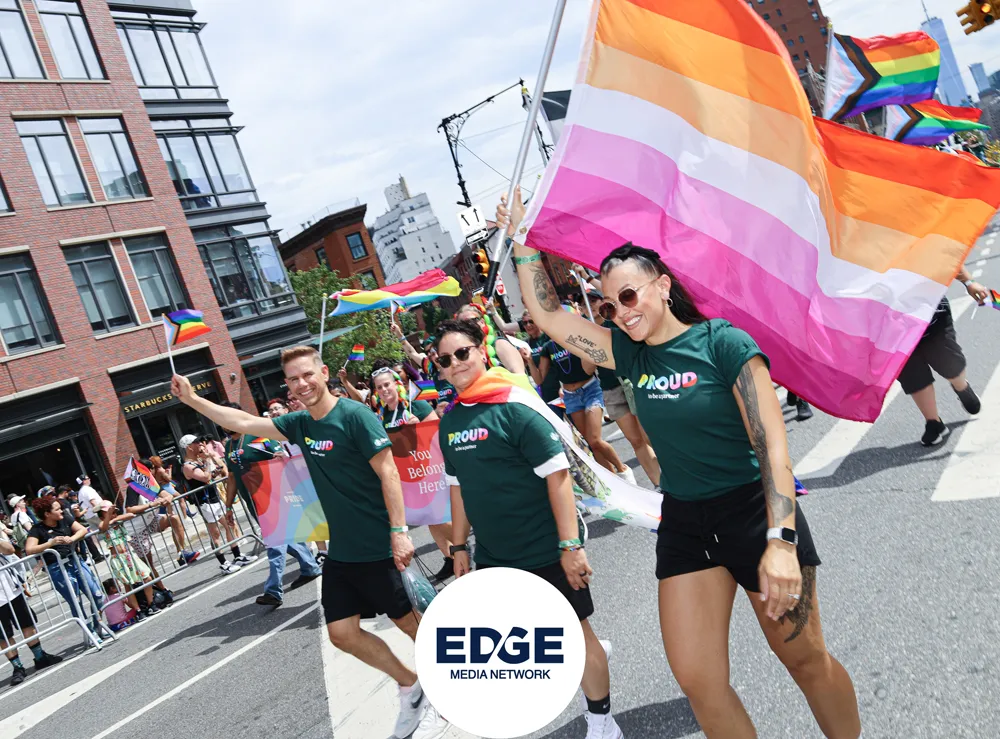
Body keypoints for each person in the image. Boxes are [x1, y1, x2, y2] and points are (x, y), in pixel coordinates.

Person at [500, 190, 861, 739]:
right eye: (609, 306)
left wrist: (782, 541)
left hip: (754, 515)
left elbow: (772, 448)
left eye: (629, 295)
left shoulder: (723, 343)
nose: (621, 312)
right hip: (686, 524)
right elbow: (549, 315)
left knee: (805, 661)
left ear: (663, 286)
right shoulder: (628, 352)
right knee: (699, 681)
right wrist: (523, 241)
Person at [171, 347, 449, 738]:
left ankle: (453, 690)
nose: (302, 384)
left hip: (378, 544)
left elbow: (388, 473)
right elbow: (244, 421)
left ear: (323, 373)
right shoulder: (300, 423)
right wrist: (192, 399)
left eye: (307, 375)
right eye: (293, 379)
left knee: (412, 626)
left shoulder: (355, 416)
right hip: (343, 552)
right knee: (342, 633)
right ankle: (412, 687)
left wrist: (399, 531)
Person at [435, 319, 623, 738]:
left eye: (462, 352)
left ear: (481, 350)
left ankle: (602, 720)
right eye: (445, 360)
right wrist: (459, 546)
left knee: (576, 634)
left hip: (545, 547)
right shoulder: (450, 422)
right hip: (495, 556)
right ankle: (588, 658)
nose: (455, 363)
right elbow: (458, 488)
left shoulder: (516, 405)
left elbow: (558, 477)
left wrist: (570, 545)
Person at [220, 401, 322, 607]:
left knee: (275, 544)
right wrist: (229, 506)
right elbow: (231, 477)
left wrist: (280, 458)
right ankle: (310, 566)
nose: (225, 423)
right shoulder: (229, 445)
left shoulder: (256, 436)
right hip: (254, 502)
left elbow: (280, 457)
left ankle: (273, 590)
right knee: (286, 538)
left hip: (273, 498)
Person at [370, 362, 454, 582]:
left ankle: (464, 547)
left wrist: (417, 426)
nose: (384, 390)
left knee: (440, 516)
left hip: (429, 468)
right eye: (379, 387)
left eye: (387, 384)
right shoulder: (381, 416)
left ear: (397, 384)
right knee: (430, 517)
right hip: (407, 474)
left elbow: (436, 431)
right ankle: (450, 557)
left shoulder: (415, 405)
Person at [529, 323, 632, 482]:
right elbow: (539, 380)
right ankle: (613, 480)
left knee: (595, 439)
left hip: (591, 389)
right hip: (571, 397)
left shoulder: (575, 339)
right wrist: (529, 360)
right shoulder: (548, 348)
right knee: (591, 444)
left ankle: (623, 471)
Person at [896, 267, 986, 446]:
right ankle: (933, 423)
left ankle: (961, 387)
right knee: (913, 375)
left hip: (932, 315)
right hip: (892, 326)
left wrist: (969, 282)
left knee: (950, 364)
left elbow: (945, 255)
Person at [582, 291, 660, 486]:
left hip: (633, 382)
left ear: (603, 302)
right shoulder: (587, 333)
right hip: (611, 389)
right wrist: (592, 344)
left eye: (594, 301)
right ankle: (659, 485)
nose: (591, 306)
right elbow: (587, 369)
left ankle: (675, 477)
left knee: (650, 437)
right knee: (636, 441)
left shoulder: (617, 322)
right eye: (584, 304)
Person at [24, 496, 105, 629]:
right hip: (57, 568)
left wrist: (72, 538)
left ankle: (98, 626)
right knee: (76, 602)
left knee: (97, 595)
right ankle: (90, 632)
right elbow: (29, 549)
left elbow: (82, 529)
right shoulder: (37, 529)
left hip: (76, 561)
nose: (62, 511)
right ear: (47, 514)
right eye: (57, 509)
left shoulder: (65, 519)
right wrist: (50, 543)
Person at [180, 436, 253, 575]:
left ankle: (237, 556)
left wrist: (213, 463)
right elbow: (205, 477)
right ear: (189, 447)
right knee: (215, 533)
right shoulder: (188, 466)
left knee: (230, 525)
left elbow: (216, 473)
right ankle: (224, 563)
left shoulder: (199, 460)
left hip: (214, 497)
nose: (200, 444)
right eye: (196, 443)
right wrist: (207, 461)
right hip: (204, 502)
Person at [1, 527, 62, 685]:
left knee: (27, 624)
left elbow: (9, 550)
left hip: (12, 591)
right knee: (4, 636)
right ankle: (17, 667)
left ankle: (40, 657)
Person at [96, 501, 160, 619]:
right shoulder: (103, 525)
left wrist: (114, 519)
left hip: (130, 556)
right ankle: (138, 610)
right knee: (128, 585)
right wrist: (109, 518)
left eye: (114, 512)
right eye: (109, 513)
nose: (113, 514)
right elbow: (102, 527)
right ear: (101, 516)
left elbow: (130, 515)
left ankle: (151, 604)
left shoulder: (118, 521)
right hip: (118, 559)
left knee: (147, 578)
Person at [390, 323, 457, 412]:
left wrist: (451, 406)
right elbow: (411, 352)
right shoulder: (431, 368)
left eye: (434, 349)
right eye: (429, 352)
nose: (432, 354)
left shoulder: (456, 366)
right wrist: (399, 334)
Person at [148, 457, 200, 566]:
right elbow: (169, 479)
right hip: (168, 489)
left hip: (164, 490)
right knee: (180, 501)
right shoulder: (160, 470)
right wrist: (169, 471)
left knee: (175, 525)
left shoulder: (153, 473)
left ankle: (181, 551)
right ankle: (185, 516)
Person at [454, 303, 525, 374]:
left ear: (482, 322)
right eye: (462, 324)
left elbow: (520, 376)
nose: (468, 326)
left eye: (472, 321)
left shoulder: (500, 344)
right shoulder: (466, 353)